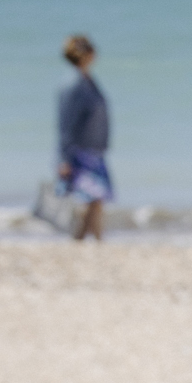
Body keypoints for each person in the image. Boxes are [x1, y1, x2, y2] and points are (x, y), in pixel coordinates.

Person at [56, 34, 111, 243]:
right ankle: (84, 239)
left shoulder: (85, 80)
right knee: (94, 197)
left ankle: (96, 240)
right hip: (81, 152)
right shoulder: (73, 84)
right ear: (86, 54)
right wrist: (64, 158)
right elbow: (66, 124)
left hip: (92, 149)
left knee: (96, 199)